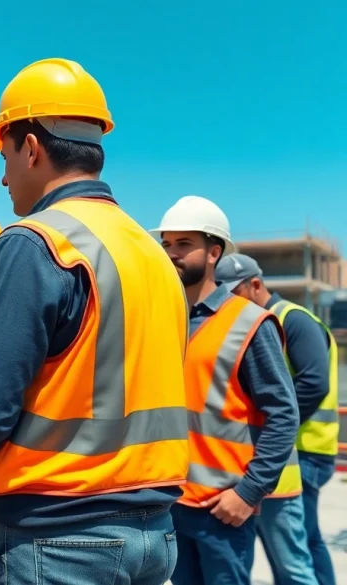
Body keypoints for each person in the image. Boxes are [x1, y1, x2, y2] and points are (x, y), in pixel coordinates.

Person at [0, 58, 190, 585]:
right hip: (154, 533)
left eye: (4, 156)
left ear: (30, 147)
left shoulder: (35, 242)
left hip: (60, 538)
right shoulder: (151, 253)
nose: (3, 177)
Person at [152, 196, 299, 585]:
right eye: (166, 244)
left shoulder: (249, 322)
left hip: (222, 508)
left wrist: (248, 493)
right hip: (170, 503)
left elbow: (283, 414)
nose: (171, 254)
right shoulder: (166, 320)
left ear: (214, 252)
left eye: (184, 244)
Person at [218, 253, 338, 585]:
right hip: (288, 453)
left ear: (255, 285)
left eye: (233, 293)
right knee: (300, 543)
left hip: (306, 451)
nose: (227, 302)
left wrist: (274, 428)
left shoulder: (291, 319)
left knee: (299, 547)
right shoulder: (263, 320)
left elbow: (314, 382)